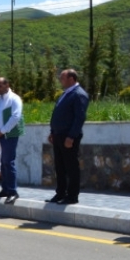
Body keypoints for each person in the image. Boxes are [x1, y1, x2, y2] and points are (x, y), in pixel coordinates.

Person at [46, 69, 89, 205]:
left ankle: (72, 196)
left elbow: (79, 117)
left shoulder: (78, 94)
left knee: (71, 167)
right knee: (60, 166)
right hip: (58, 135)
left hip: (68, 136)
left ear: (71, 78)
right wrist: (53, 131)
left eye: (62, 78)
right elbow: (57, 114)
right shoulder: (66, 94)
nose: (60, 80)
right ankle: (60, 193)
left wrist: (71, 136)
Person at [0, 78, 24, 203]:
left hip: (8, 135)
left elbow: (16, 116)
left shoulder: (14, 99)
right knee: (0, 162)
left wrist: (2, 131)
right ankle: (4, 189)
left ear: (7, 85)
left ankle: (12, 191)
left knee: (8, 162)